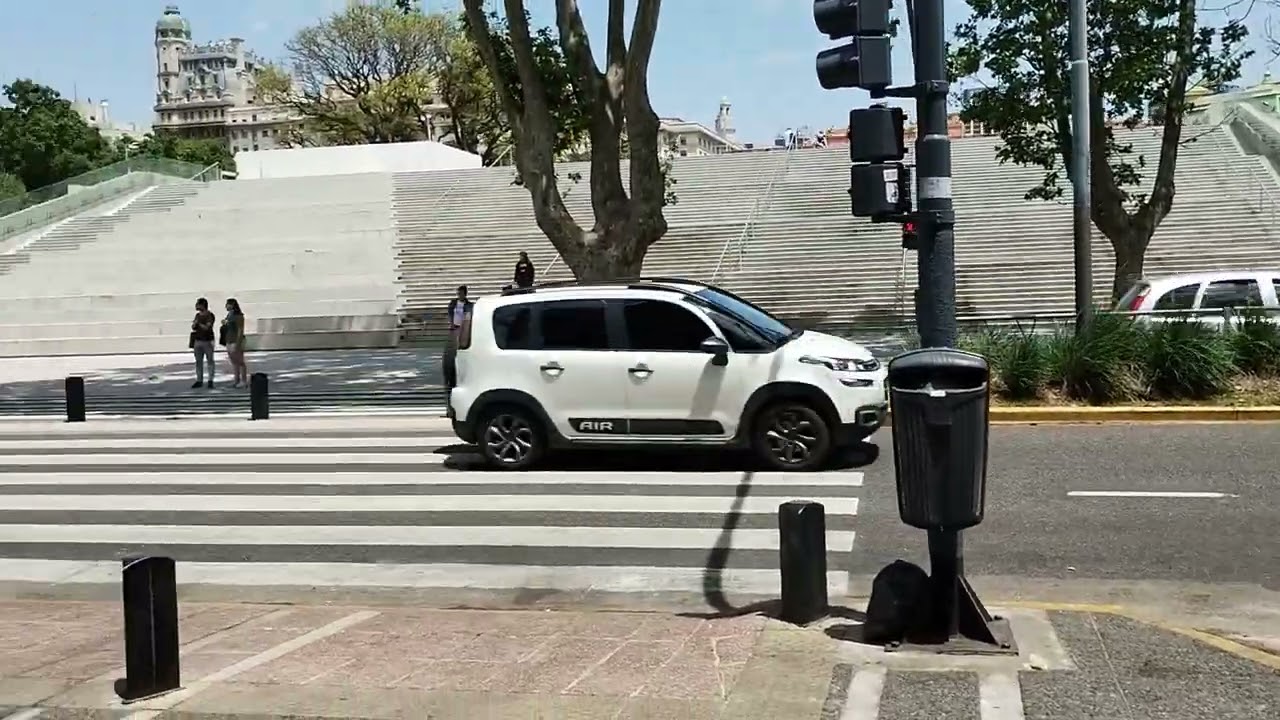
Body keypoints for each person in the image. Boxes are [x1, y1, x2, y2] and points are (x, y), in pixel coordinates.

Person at [220, 298, 249, 389]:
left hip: (235, 340)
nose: (226, 306)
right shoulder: (229, 315)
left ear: (232, 305)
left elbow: (240, 330)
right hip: (229, 339)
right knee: (234, 362)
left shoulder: (239, 316)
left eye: (228, 304)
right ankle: (236, 380)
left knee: (240, 361)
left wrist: (238, 342)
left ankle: (243, 380)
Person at [190, 298, 216, 389]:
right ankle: (199, 380)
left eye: (198, 304)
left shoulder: (210, 315)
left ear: (202, 305)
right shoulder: (197, 315)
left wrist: (199, 323)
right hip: (197, 340)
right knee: (198, 361)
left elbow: (207, 327)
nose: (196, 306)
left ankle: (210, 380)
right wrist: (194, 324)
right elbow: (193, 327)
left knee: (210, 361)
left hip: (207, 340)